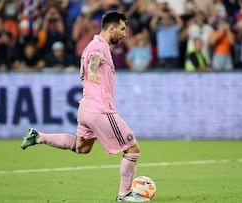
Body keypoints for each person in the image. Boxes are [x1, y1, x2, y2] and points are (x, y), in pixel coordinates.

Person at [20, 11, 148, 202]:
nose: (124, 34)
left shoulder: (90, 46)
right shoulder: (99, 46)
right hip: (100, 109)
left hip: (85, 109)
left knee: (82, 147)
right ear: (111, 28)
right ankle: (124, 194)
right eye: (122, 29)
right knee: (132, 148)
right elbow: (94, 61)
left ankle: (39, 137)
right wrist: (93, 70)